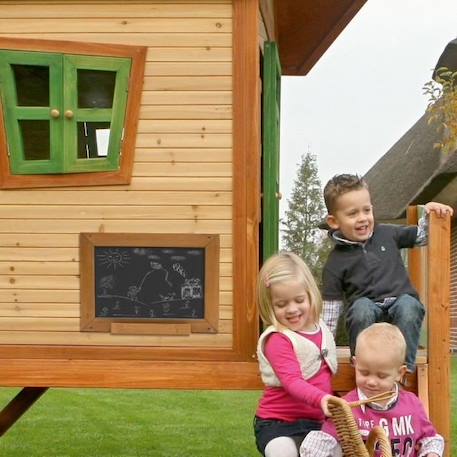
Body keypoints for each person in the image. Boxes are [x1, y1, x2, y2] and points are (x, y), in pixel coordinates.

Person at [320, 173, 453, 372]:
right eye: (352, 213)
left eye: (367, 210)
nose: (363, 218)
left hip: (400, 303)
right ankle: (364, 367)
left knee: (409, 306)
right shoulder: (335, 261)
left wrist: (430, 213)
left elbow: (423, 236)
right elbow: (330, 311)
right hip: (368, 310)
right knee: (361, 309)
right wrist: (324, 349)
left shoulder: (387, 234)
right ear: (334, 221)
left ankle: (404, 370)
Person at [300, 322, 444, 457]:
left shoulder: (413, 405)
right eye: (364, 372)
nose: (371, 382)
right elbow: (321, 443)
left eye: (381, 376)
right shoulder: (346, 407)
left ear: (400, 373)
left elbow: (430, 439)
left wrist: (432, 453)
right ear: (355, 364)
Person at [253, 251, 338, 457]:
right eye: (281, 304)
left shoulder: (322, 329)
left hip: (317, 423)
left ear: (310, 295)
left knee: (337, 451)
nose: (292, 309)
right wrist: (323, 399)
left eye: (299, 300)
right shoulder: (278, 339)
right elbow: (291, 381)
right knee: (283, 452)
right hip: (278, 423)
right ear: (270, 305)